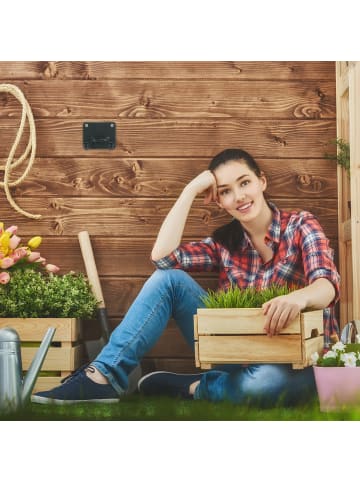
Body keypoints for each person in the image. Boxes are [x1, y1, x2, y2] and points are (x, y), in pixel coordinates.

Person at [31, 148, 340, 406]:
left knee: (264, 385)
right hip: (236, 351)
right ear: (219, 202)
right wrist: (190, 189)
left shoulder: (301, 225)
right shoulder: (224, 244)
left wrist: (297, 298)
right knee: (169, 280)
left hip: (294, 361)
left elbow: (327, 285)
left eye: (244, 183)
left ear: (261, 181)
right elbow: (162, 259)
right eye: (226, 192)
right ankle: (103, 377)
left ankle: (196, 387)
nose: (239, 196)